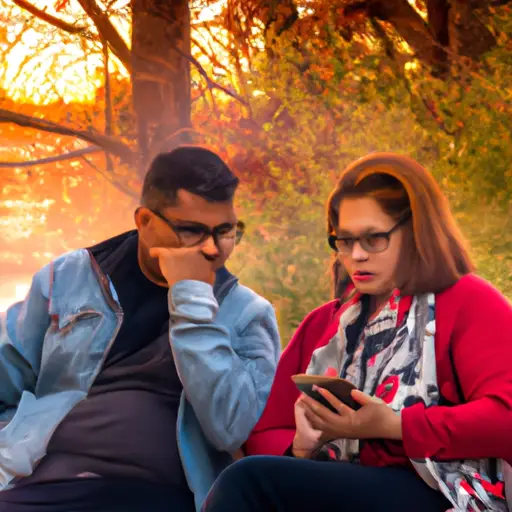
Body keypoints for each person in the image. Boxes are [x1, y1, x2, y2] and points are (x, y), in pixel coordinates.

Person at [202, 153, 512, 512]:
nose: (357, 255)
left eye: (374, 239)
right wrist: (302, 446)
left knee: (247, 481)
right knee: (248, 476)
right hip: (342, 484)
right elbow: (267, 430)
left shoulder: (466, 301)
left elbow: (505, 418)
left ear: (416, 232)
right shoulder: (325, 323)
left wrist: (394, 425)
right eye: (345, 240)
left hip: (437, 491)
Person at [0, 146, 280, 512]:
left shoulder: (247, 314)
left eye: (225, 231)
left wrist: (192, 298)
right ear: (145, 221)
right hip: (44, 481)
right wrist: (14, 444)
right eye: (192, 231)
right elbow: (7, 375)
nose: (213, 250)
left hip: (160, 494)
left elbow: (229, 427)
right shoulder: (69, 278)